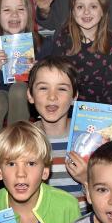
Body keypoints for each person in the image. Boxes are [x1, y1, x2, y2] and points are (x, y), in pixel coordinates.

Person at [25, 57, 88, 211]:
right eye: (43, 88)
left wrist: (87, 179)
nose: (52, 96)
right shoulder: (23, 140)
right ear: (30, 95)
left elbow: (107, 193)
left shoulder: (89, 138)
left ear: (74, 97)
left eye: (62, 89)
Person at [0, 0, 44, 133]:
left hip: (29, 99)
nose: (14, 15)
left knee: (19, 88)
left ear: (29, 14)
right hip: (0, 94)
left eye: (20, 9)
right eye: (7, 10)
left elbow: (45, 86)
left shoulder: (41, 44)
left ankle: (15, 144)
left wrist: (36, 73)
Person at [51, 0, 112, 105]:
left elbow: (111, 88)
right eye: (80, 7)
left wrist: (101, 117)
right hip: (66, 107)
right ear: (72, 10)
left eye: (93, 6)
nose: (86, 12)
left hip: (98, 111)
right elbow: (55, 78)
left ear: (103, 11)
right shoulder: (63, 39)